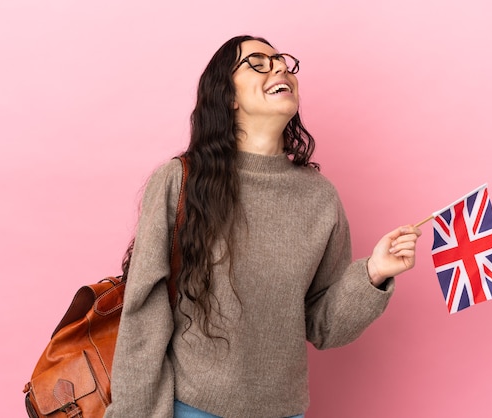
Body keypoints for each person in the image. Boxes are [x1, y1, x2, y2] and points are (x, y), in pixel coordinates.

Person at [104, 35, 422, 418]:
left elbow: (322, 325)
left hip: (284, 412)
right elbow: (144, 316)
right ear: (228, 97)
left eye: (283, 61)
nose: (279, 67)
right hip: (191, 408)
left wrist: (373, 273)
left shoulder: (320, 198)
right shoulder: (179, 181)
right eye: (258, 62)